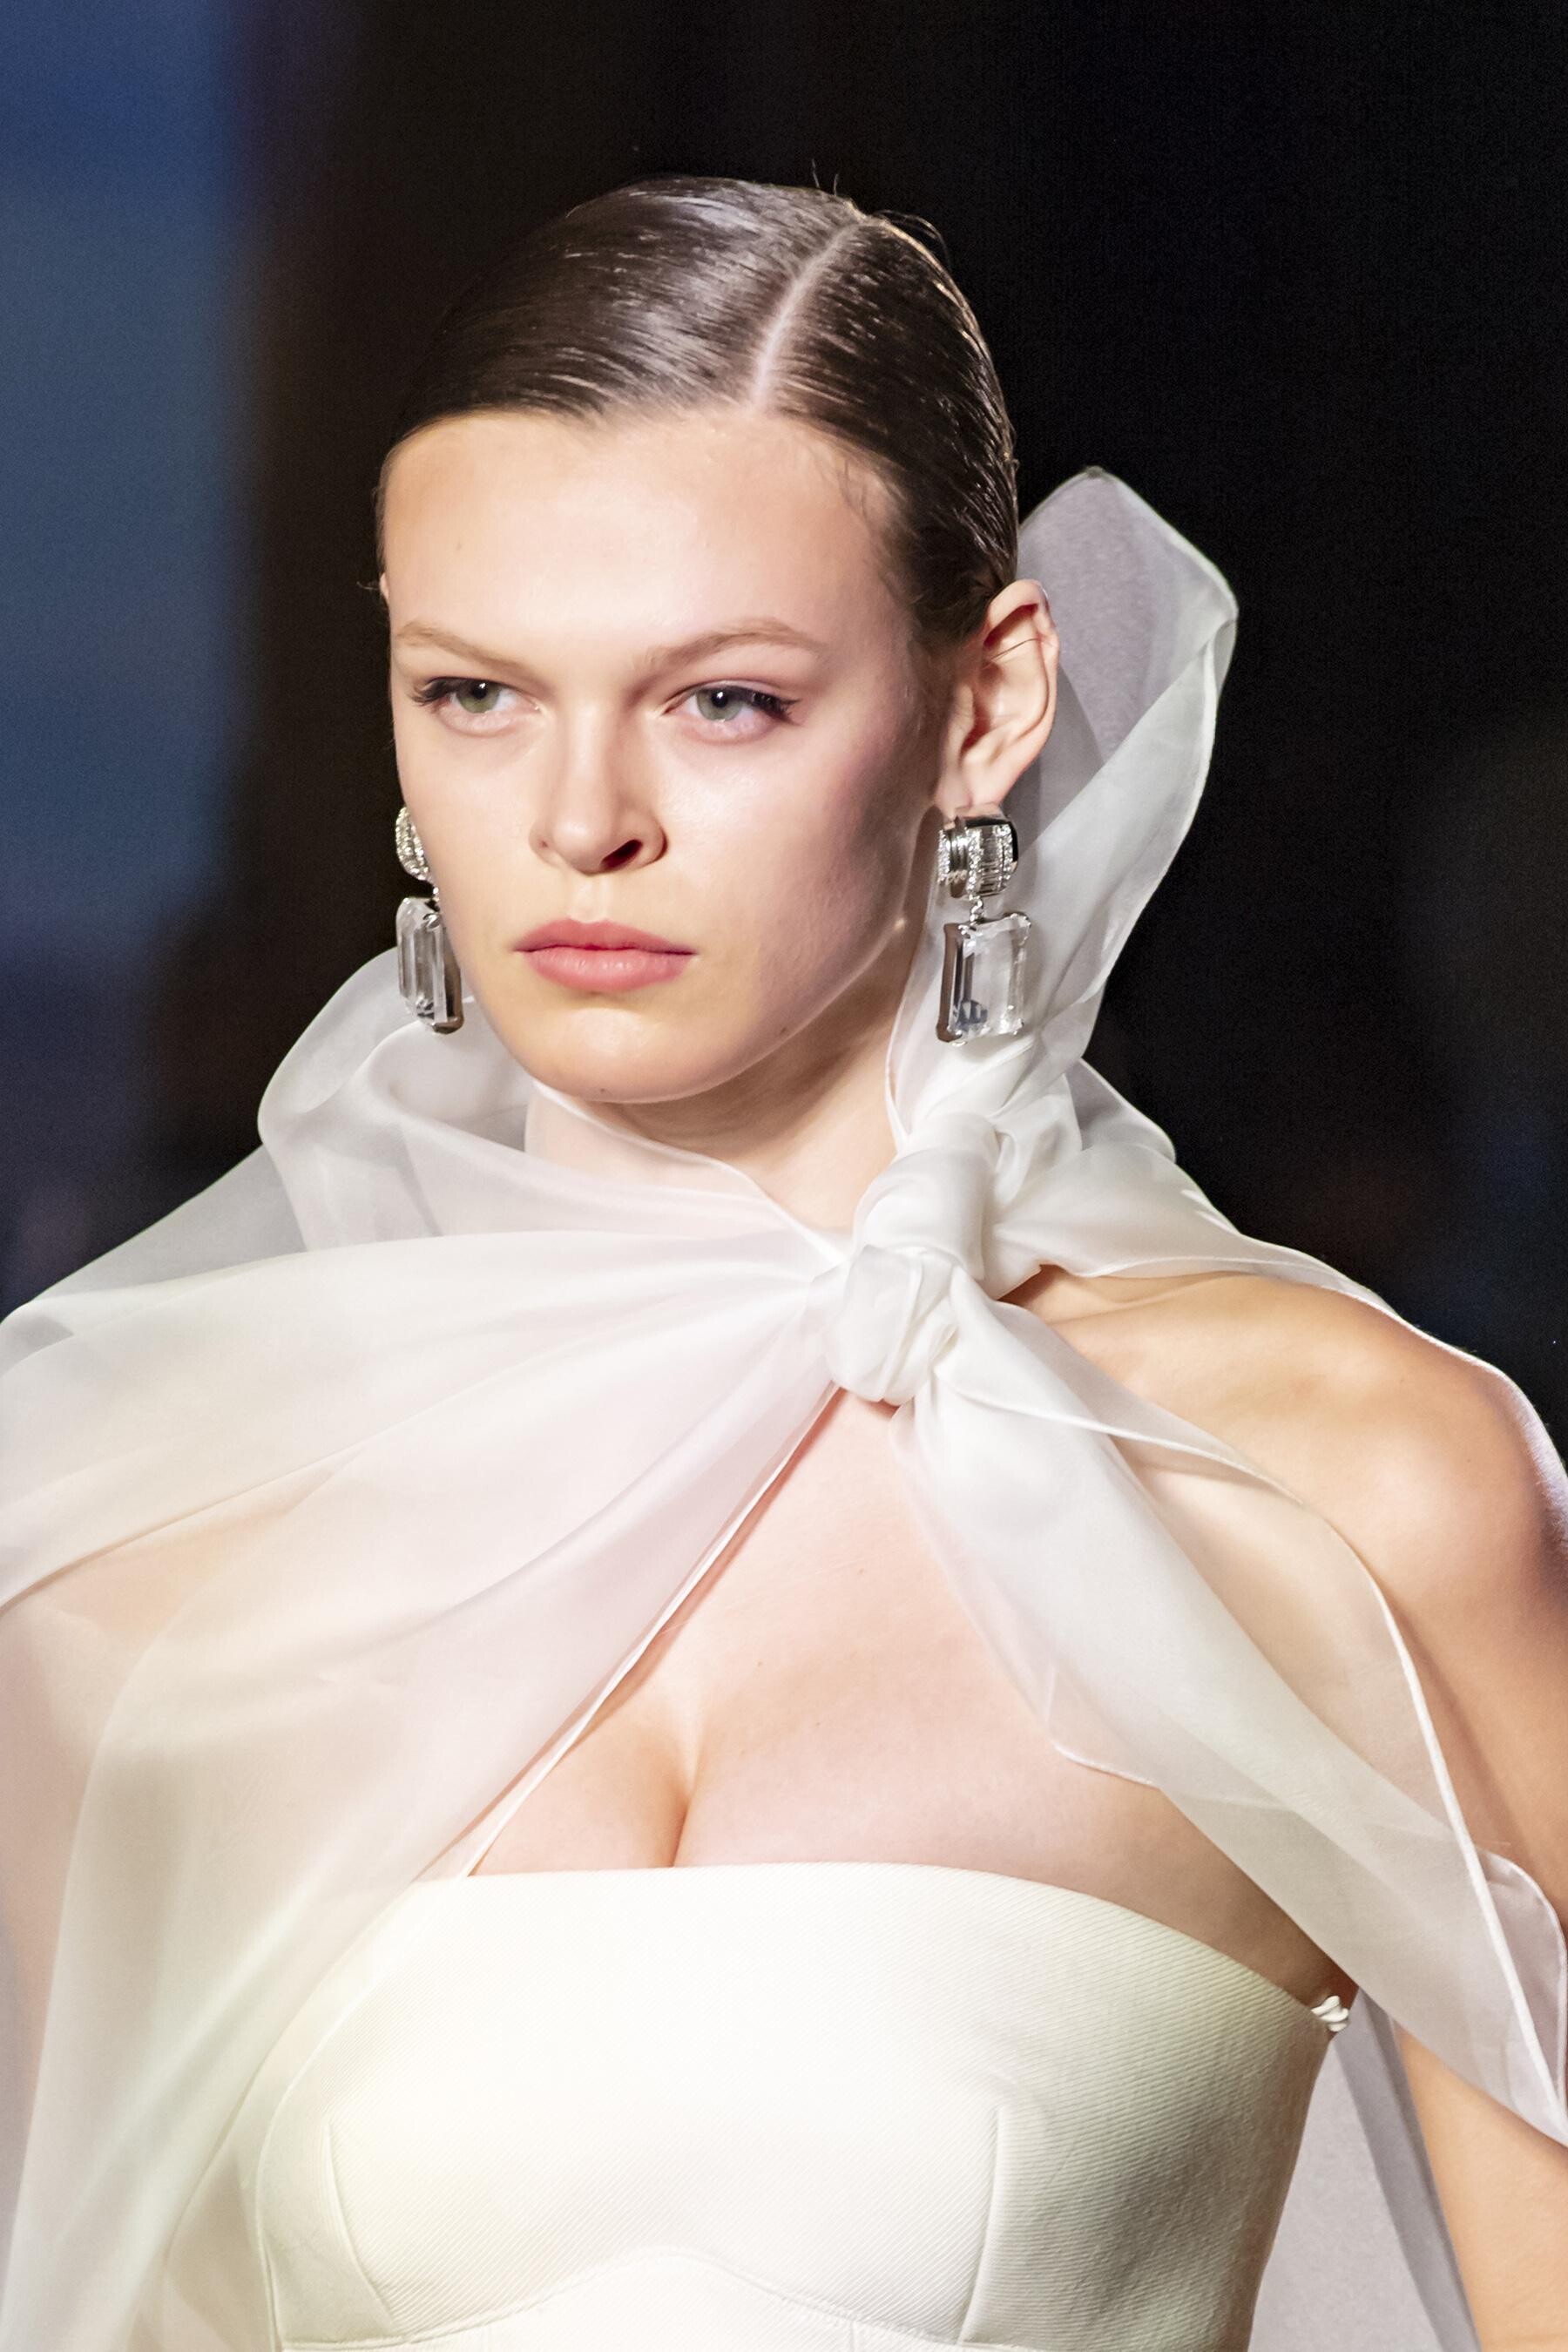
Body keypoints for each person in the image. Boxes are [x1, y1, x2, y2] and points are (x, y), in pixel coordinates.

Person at [1, 172, 1565, 2352]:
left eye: (723, 700)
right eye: (477, 692)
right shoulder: (135, 1549)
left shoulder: (1339, 1496)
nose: (583, 819)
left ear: (987, 705)